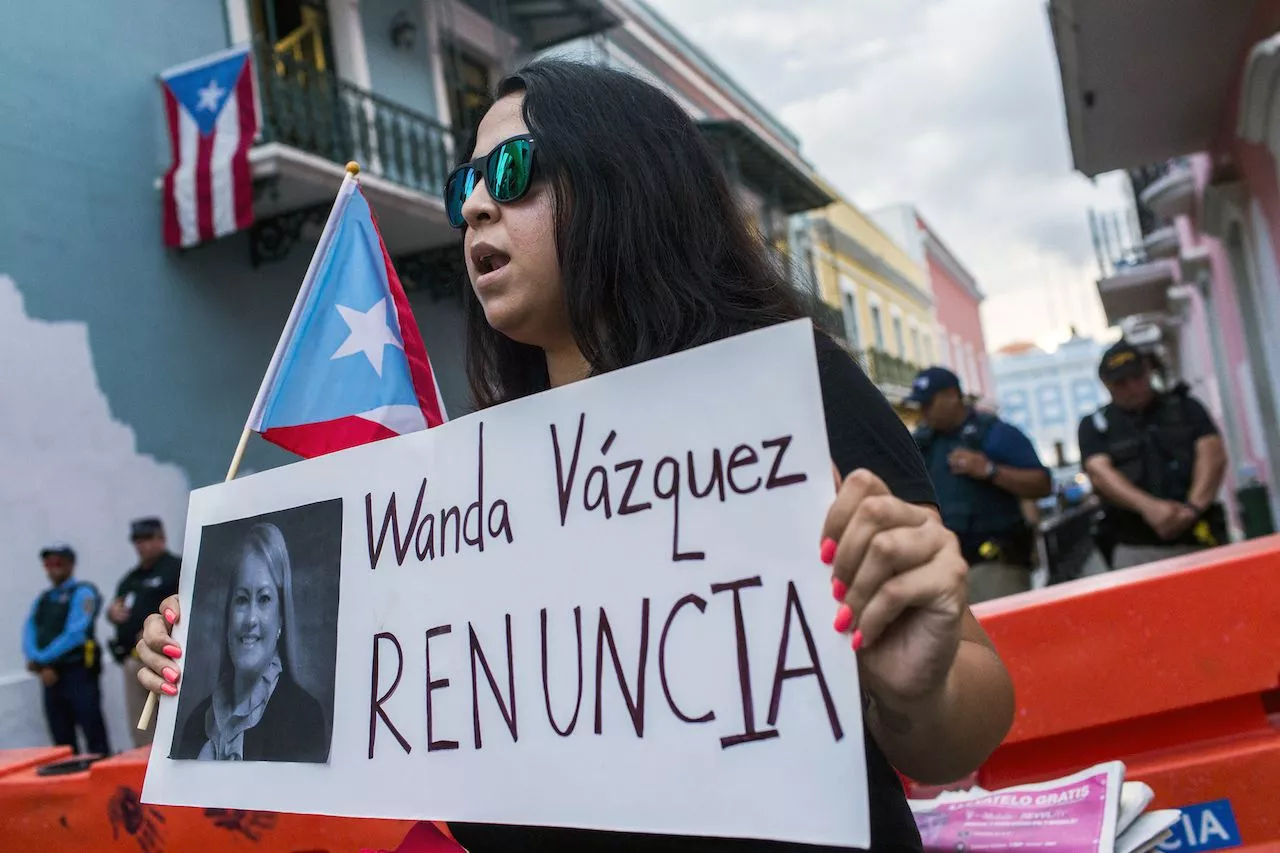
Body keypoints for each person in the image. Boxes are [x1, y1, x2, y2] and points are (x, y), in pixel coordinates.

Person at [137, 59, 1014, 850]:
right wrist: (193, 657)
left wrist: (912, 686)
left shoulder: (788, 395)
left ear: (622, 183)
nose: (477, 204)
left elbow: (961, 722)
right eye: (465, 187)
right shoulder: (462, 497)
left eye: (511, 172)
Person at [169, 522, 328, 762]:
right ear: (228, 612)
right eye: (242, 600)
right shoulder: (197, 721)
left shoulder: (304, 717)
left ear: (281, 616)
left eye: (264, 599)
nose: (250, 619)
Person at [1078, 340, 1228, 571]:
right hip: (1135, 546)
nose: (1132, 387)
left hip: (1198, 536)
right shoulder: (1097, 425)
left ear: (1148, 370)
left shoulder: (1186, 408)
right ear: (1106, 384)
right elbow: (1099, 473)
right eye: (1121, 383)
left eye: (1137, 377)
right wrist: (1150, 508)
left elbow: (1213, 455)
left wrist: (1192, 509)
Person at [907, 367, 1052, 602]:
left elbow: (1042, 484)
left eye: (929, 403)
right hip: (942, 569)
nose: (924, 411)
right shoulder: (923, 443)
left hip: (994, 564)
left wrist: (990, 470)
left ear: (952, 395)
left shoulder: (995, 433)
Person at [22, 544, 110, 756]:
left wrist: (44, 659)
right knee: (61, 739)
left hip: (77, 672)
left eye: (58, 562)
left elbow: (76, 633)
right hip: (49, 677)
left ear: (70, 564)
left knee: (93, 731)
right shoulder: (43, 599)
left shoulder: (84, 592)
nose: (53, 568)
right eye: (48, 564)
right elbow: (29, 629)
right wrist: (37, 660)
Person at [108, 517, 182, 748]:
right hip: (134, 659)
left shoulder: (176, 567)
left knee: (174, 724)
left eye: (148, 538)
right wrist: (112, 613)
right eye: (137, 540)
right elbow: (119, 604)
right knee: (141, 730)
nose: (142, 545)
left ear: (161, 538)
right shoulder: (131, 578)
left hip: (168, 659)